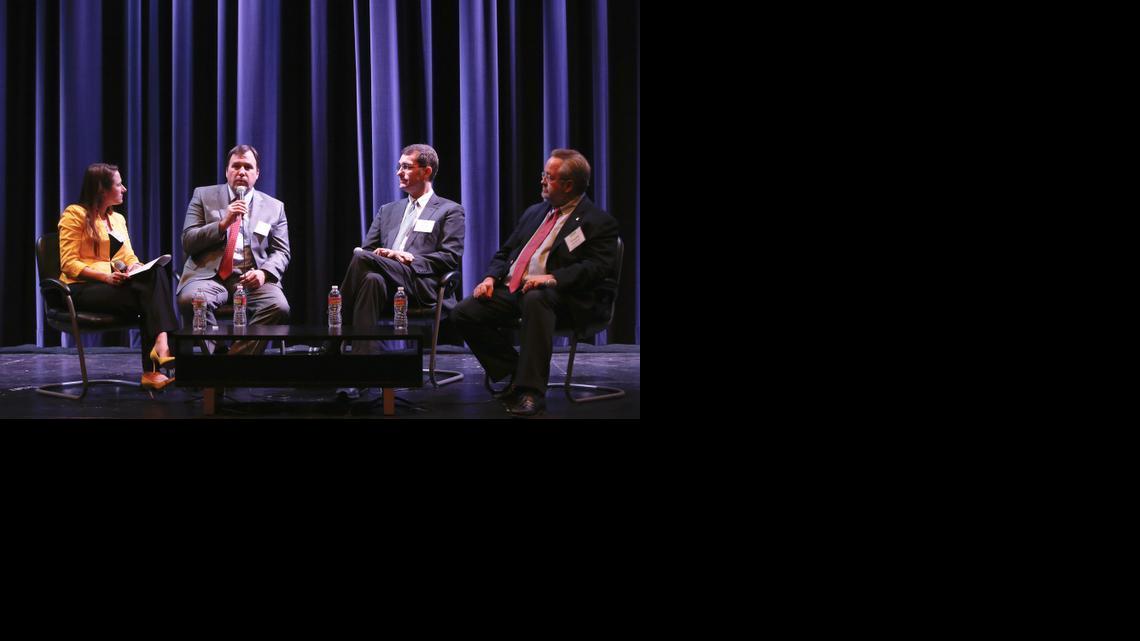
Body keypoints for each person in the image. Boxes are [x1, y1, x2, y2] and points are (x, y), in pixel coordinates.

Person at [452, 149, 620, 416]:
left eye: (548, 177)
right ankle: (517, 372)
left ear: (568, 185)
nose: (542, 180)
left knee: (536, 297)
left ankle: (531, 392)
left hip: (564, 297)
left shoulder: (597, 222)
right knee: (464, 312)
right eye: (544, 174)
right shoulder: (535, 212)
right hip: (515, 290)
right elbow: (505, 253)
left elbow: (597, 268)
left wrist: (552, 278)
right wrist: (489, 278)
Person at [335, 143, 465, 399]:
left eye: (406, 167)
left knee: (362, 261)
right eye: (399, 167)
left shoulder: (450, 210)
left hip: (419, 282)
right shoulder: (388, 210)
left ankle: (334, 333)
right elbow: (368, 250)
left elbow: (450, 258)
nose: (399, 172)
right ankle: (364, 371)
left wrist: (408, 258)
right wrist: (386, 257)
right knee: (369, 275)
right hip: (383, 281)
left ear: (426, 172)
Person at [57, 163, 179, 390]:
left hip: (111, 286)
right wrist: (105, 276)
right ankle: (159, 356)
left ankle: (159, 349)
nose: (124, 189)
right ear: (102, 190)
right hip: (80, 289)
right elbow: (68, 263)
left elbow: (129, 256)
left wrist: (137, 267)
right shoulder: (74, 215)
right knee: (149, 297)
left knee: (156, 273)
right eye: (119, 184)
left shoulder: (118, 220)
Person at [176, 144, 291, 354]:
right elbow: (188, 241)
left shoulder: (274, 207)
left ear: (257, 173)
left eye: (248, 167)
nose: (241, 172)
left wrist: (264, 273)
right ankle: (220, 359)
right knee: (192, 300)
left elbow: (282, 252)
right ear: (226, 171)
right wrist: (222, 224)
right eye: (236, 166)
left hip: (251, 280)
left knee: (279, 306)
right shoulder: (203, 196)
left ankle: (229, 363)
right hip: (209, 277)